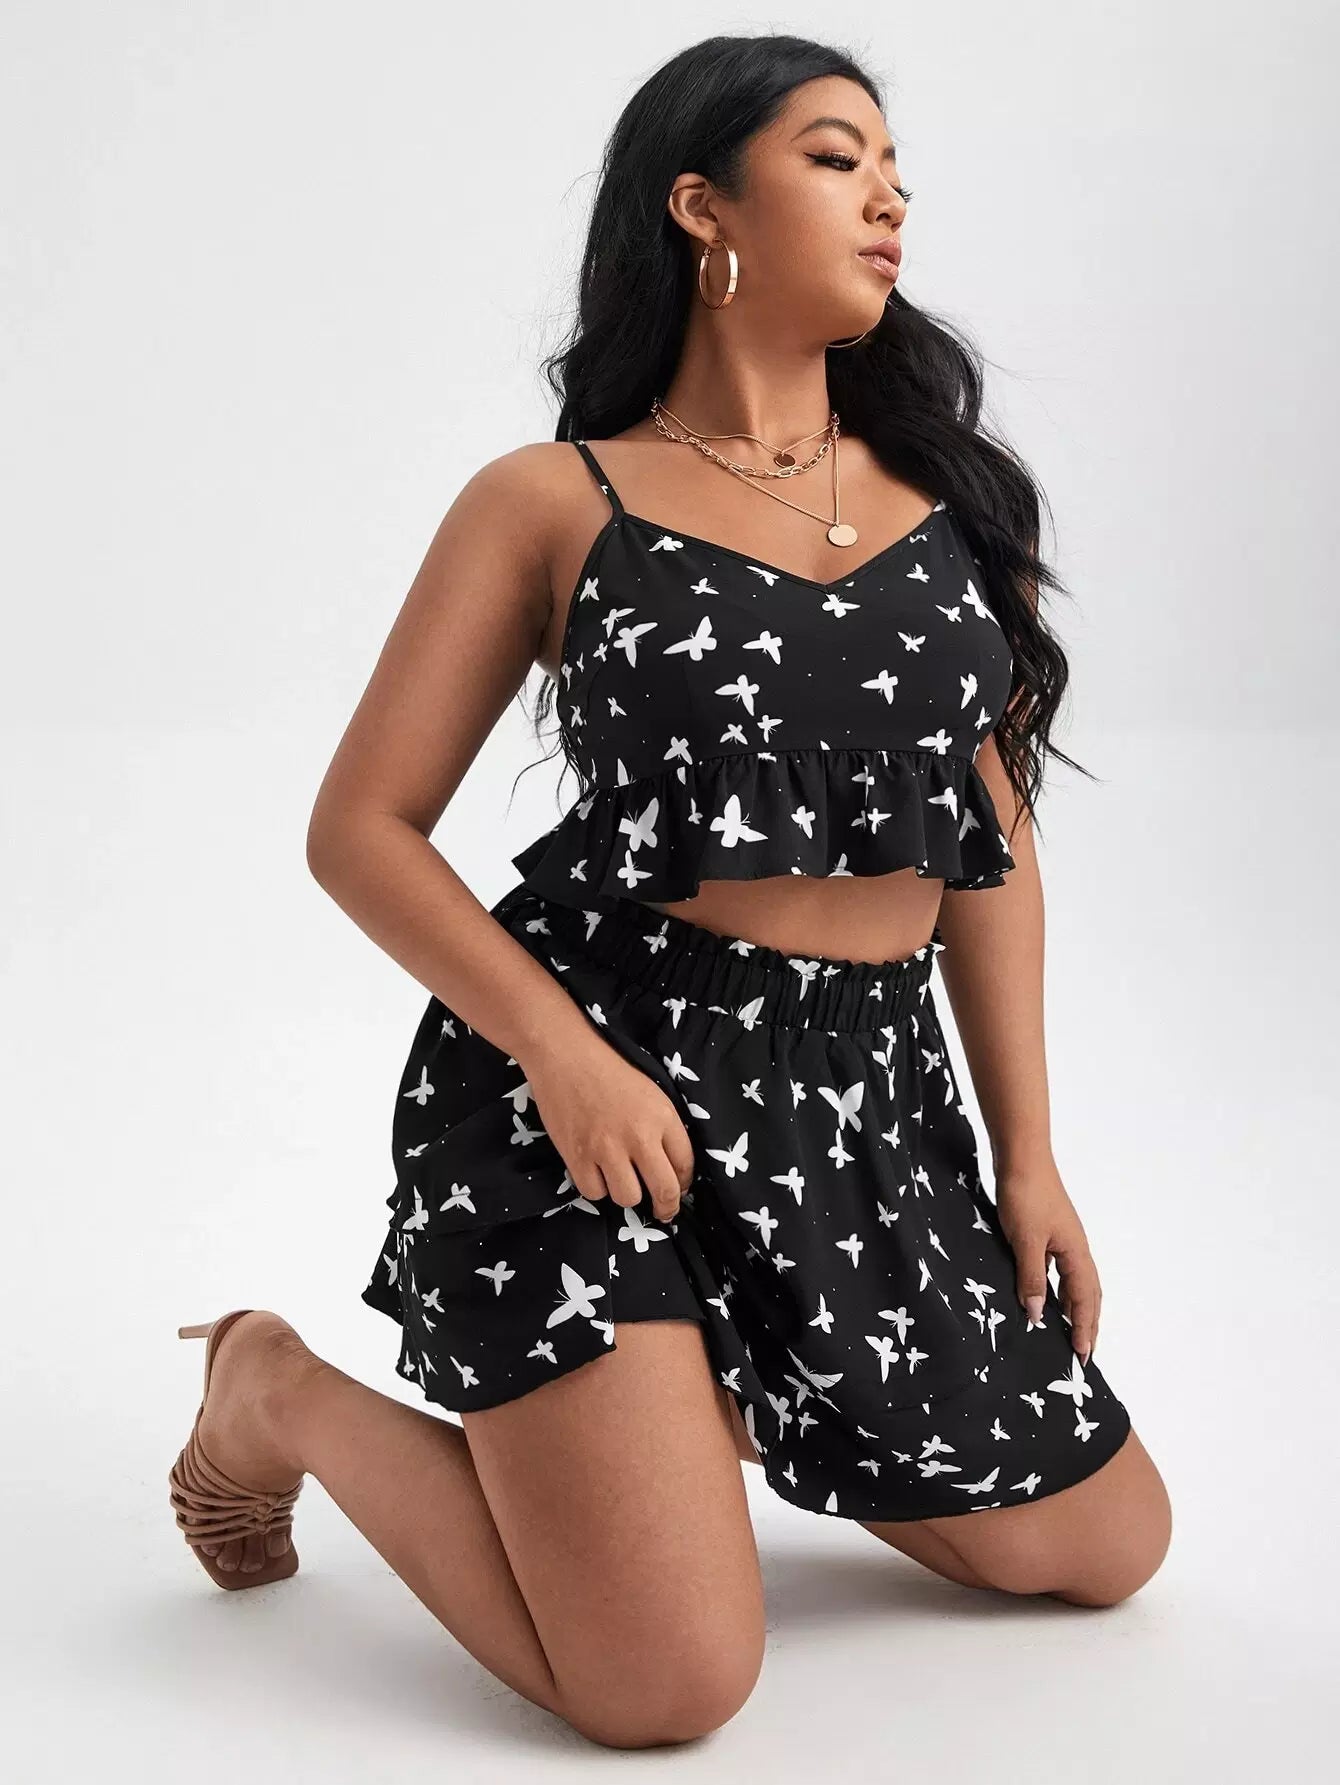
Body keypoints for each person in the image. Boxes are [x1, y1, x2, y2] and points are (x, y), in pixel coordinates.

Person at [167, 34, 1172, 1751]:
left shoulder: (950, 504)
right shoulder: (554, 500)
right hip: (594, 1095)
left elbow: (987, 843)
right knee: (663, 1687)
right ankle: (276, 1388)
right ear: (702, 207)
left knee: (1106, 1545)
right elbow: (362, 828)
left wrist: (1029, 1149)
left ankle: (706, 1392)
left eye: (895, 171)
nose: (891, 198)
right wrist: (558, 1051)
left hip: (860, 1102)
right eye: (838, 159)